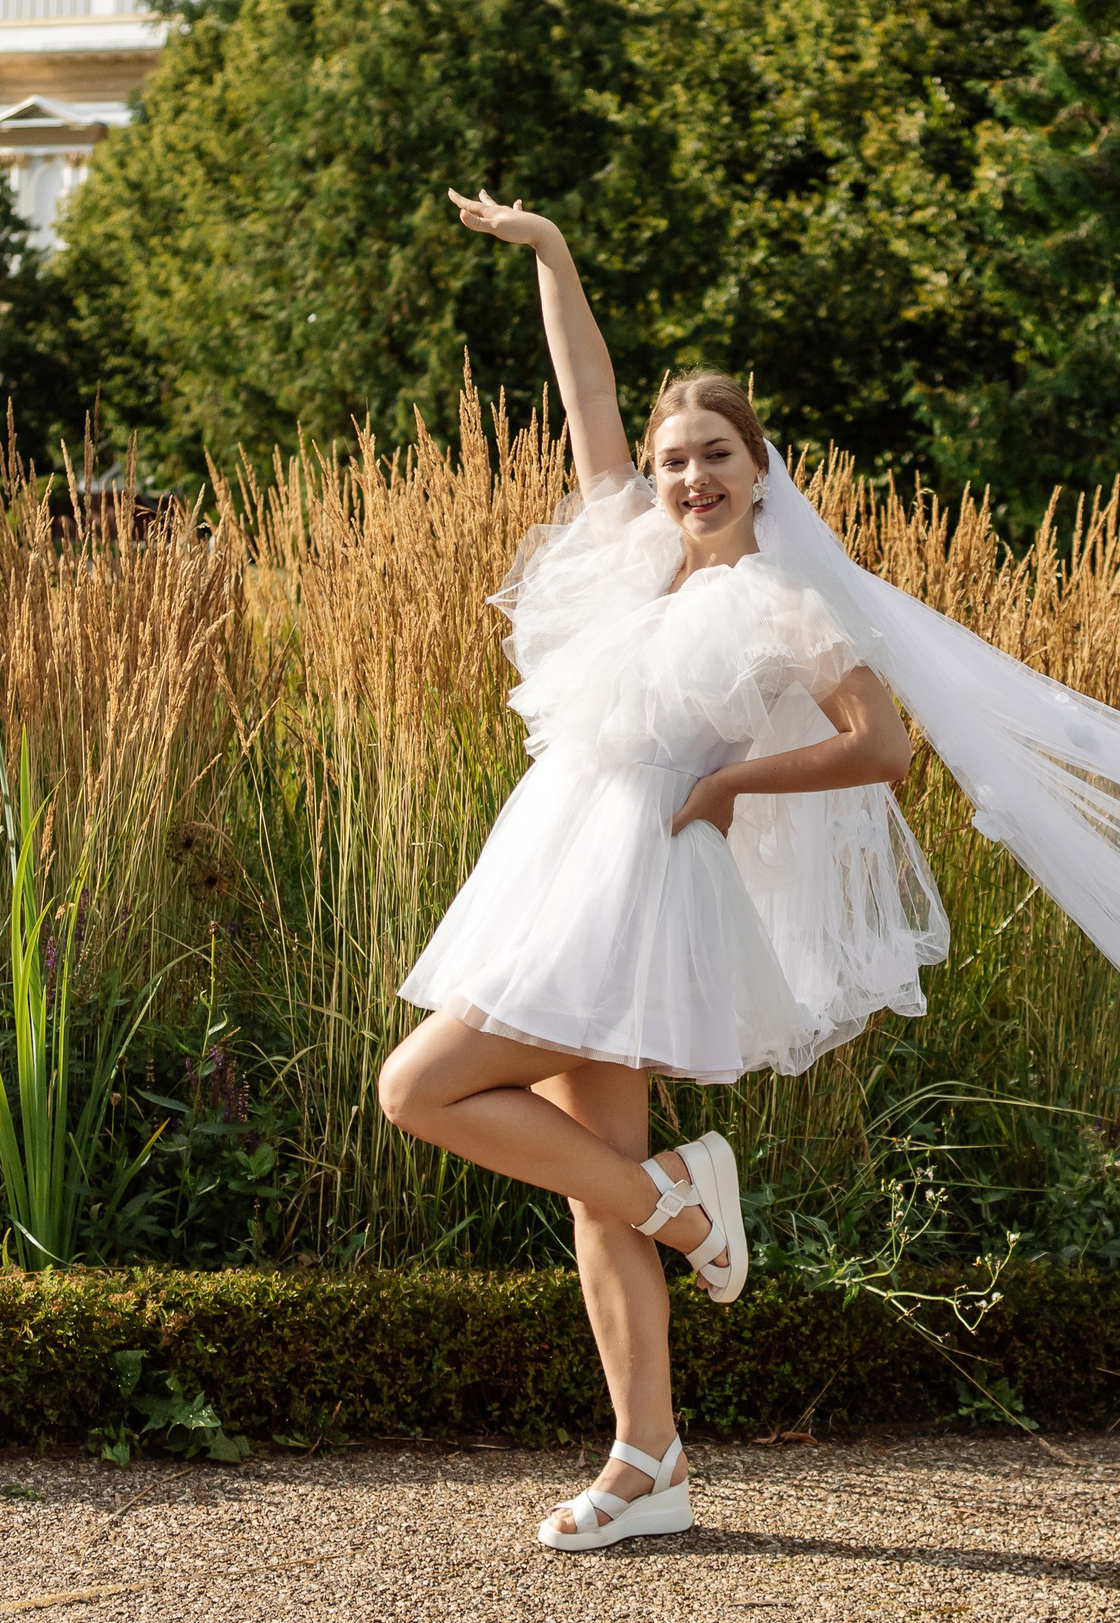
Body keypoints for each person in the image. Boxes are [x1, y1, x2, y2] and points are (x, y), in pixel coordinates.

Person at [377, 187, 946, 1552]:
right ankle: (650, 1457)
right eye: (675, 456)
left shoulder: (780, 600)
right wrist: (554, 254)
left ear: (761, 469)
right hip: (564, 863)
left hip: (640, 877)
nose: (688, 477)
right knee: (590, 1180)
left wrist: (739, 779)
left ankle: (684, 1206)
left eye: (715, 457)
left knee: (417, 1086)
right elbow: (586, 391)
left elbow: (887, 748)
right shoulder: (637, 555)